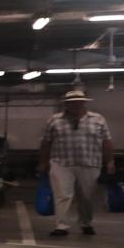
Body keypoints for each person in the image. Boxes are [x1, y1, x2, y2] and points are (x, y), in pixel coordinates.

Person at [41, 87, 111, 237]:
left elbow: (107, 141)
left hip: (90, 163)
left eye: (79, 102)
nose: (76, 105)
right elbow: (45, 142)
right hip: (61, 163)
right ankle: (61, 226)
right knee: (62, 195)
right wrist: (43, 162)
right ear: (66, 104)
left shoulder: (98, 119)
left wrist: (110, 161)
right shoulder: (54, 120)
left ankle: (86, 223)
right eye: (72, 103)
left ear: (84, 103)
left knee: (87, 197)